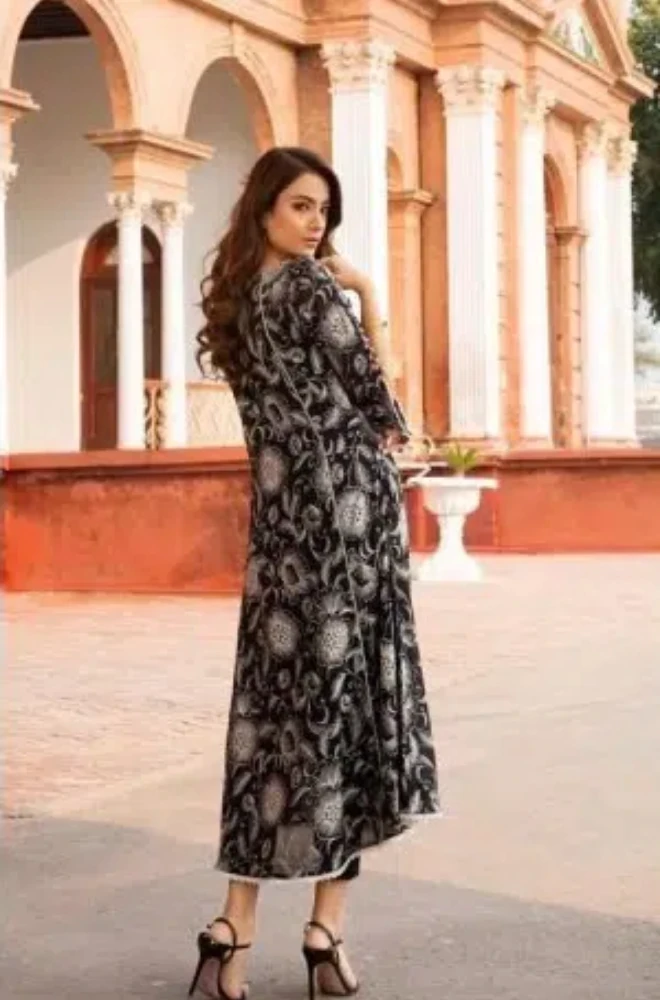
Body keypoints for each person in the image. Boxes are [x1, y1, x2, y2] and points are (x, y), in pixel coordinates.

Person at [190, 146, 441, 1000]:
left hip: (280, 540)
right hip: (346, 525)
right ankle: (325, 935)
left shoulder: (235, 300)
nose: (315, 222)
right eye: (300, 205)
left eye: (323, 209)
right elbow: (382, 405)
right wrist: (365, 293)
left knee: (270, 720)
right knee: (349, 715)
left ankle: (233, 928)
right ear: (265, 206)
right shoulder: (312, 289)